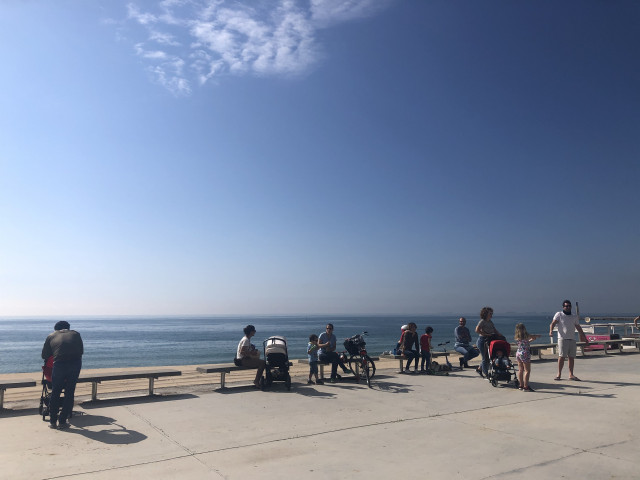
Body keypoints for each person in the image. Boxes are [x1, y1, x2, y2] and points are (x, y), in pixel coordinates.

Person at [41, 321, 83, 429]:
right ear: (68, 328)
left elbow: (44, 355)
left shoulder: (51, 336)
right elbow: (81, 351)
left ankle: (53, 422)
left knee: (55, 392)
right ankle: (63, 421)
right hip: (75, 363)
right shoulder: (76, 334)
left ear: (56, 329)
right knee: (69, 392)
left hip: (59, 364)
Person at [549, 300, 587, 381]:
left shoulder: (574, 316)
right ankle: (558, 374)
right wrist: (551, 331)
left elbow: (578, 327)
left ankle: (571, 374)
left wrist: (584, 338)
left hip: (572, 339)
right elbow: (553, 323)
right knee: (562, 356)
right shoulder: (559, 314)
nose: (568, 307)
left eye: (569, 306)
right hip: (562, 339)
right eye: (566, 306)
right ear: (563, 307)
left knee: (571, 357)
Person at [475, 307, 504, 378]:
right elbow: (477, 330)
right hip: (483, 340)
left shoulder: (490, 322)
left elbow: (494, 329)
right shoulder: (482, 321)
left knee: (488, 357)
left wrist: (499, 334)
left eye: (492, 313)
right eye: (490, 313)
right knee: (485, 358)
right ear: (486, 314)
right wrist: (485, 334)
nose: (491, 315)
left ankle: (479, 369)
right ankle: (486, 374)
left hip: (489, 340)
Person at [514, 323, 540, 392]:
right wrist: (536, 336)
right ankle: (526, 386)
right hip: (525, 353)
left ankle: (521, 385)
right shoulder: (526, 335)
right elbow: (533, 337)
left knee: (520, 370)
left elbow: (525, 342)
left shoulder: (517, 336)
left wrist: (531, 340)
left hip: (518, 353)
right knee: (527, 370)